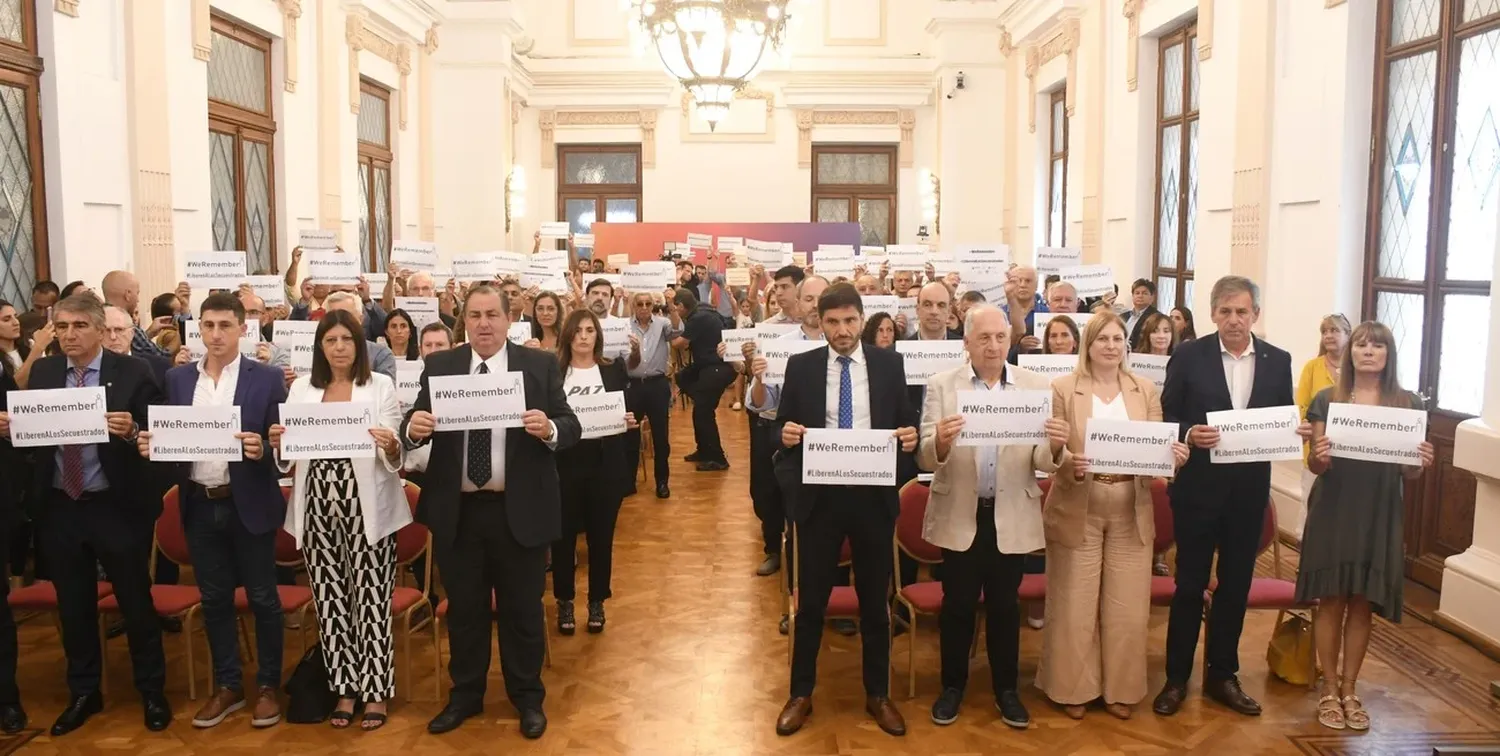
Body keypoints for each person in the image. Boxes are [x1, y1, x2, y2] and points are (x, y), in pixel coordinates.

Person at [402, 283, 581, 739]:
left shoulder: (537, 365)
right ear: (464, 321)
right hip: (458, 512)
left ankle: (527, 697)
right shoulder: (440, 365)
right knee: (465, 610)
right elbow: (416, 424)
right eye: (475, 315)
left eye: (492, 315)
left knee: (522, 610)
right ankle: (465, 694)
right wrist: (414, 427)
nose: (484, 323)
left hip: (518, 510)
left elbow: (571, 424)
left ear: (508, 320)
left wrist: (549, 429)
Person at [0, 293, 170, 735]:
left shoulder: (133, 372)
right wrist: (13, 428)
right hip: (60, 507)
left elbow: (157, 435)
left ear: (99, 329)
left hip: (115, 506)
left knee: (135, 603)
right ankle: (84, 692)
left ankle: (151, 691)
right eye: (61, 327)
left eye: (78, 326)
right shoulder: (45, 371)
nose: (69, 335)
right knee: (73, 607)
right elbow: (35, 435)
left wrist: (133, 429)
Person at [1155, 275, 1308, 718]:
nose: (1234, 320)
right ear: (1213, 314)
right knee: (1188, 587)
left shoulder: (1278, 361)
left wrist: (1291, 429)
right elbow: (1167, 412)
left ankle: (1223, 674)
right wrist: (1187, 432)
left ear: (1255, 314)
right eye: (1225, 311)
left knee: (1236, 587)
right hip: (1198, 491)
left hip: (1247, 494)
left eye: (1242, 311)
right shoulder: (1188, 355)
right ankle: (1176, 678)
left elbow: (1283, 415)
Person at [772, 282, 918, 738]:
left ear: (861, 318)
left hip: (873, 498)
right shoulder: (801, 367)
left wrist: (910, 438)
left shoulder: (890, 364)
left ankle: (878, 694)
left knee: (876, 604)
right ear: (821, 321)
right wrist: (787, 435)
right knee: (812, 602)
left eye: (850, 321)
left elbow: (906, 424)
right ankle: (801, 693)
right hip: (821, 500)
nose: (842, 330)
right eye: (833, 322)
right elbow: (780, 431)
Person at [135, 292, 287, 729]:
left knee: (263, 598)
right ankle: (229, 684)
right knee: (215, 599)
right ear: (197, 329)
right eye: (207, 326)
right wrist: (152, 444)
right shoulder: (179, 378)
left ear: (243, 328)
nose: (216, 334)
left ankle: (268, 686)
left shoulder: (267, 378)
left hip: (250, 503)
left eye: (225, 325)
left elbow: (283, 443)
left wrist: (265, 449)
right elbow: (175, 438)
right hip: (199, 504)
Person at [917, 305, 1067, 728]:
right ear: (966, 343)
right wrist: (941, 444)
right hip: (960, 511)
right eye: (983, 338)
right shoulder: (942, 385)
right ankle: (952, 687)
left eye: (1000, 338)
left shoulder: (1035, 386)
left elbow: (1041, 457)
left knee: (1005, 606)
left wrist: (1055, 447)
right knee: (958, 605)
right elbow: (924, 453)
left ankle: (1006, 690)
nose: (993, 346)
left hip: (1010, 513)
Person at [1038, 313, 1188, 720]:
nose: (1110, 345)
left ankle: (1120, 689)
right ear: (1087, 344)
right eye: (1101, 338)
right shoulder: (1063, 388)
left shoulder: (1145, 389)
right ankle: (1072, 688)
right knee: (1074, 604)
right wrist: (1068, 460)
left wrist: (1174, 456)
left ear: (1127, 344)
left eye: (1117, 338)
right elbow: (1049, 452)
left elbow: (1158, 444)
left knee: (1127, 606)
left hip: (1130, 505)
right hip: (1078, 504)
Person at [272, 309, 408, 731]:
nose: (339, 348)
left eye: (346, 339)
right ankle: (344, 688)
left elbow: (394, 451)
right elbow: (288, 459)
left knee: (369, 599)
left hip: (366, 504)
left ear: (359, 344)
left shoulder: (380, 385)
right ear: (320, 347)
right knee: (331, 602)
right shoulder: (302, 392)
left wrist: (389, 445)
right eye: (330, 341)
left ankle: (376, 692)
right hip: (316, 505)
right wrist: (280, 442)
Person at [1298, 320, 1432, 732]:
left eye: (1377, 346)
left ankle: (1351, 689)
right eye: (1361, 344)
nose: (1368, 351)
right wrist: (1319, 452)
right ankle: (1328, 687)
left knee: (1362, 602)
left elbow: (1408, 473)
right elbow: (1316, 465)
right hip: (1336, 506)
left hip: (1379, 510)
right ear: (1351, 352)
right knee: (1332, 599)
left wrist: (1420, 460)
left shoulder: (1406, 404)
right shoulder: (1327, 399)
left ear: (1389, 355)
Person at [551, 310, 637, 635]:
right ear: (568, 335)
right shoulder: (555, 372)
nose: (584, 336)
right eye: (578, 331)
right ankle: (564, 600)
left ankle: (597, 600)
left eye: (590, 330)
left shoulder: (611, 370)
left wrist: (626, 420)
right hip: (564, 464)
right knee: (563, 539)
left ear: (597, 336)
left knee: (602, 539)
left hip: (605, 464)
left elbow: (621, 410)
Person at [670, 288, 734, 472]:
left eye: (676, 307)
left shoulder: (698, 318)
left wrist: (666, 334)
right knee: (698, 406)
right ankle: (703, 450)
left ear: (681, 306)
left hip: (716, 368)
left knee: (704, 412)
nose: (675, 310)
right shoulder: (704, 311)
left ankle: (718, 458)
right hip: (711, 367)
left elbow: (678, 344)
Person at [625, 292, 680, 499]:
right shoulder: (625, 326)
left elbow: (677, 331)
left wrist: (672, 303)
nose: (645, 307)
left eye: (649, 303)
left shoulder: (663, 323)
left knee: (661, 436)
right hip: (633, 386)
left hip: (657, 385)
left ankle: (662, 482)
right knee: (629, 435)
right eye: (640, 303)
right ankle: (629, 481)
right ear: (634, 305)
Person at [323, 292, 397, 382]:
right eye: (333, 317)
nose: (340, 322)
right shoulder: (319, 351)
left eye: (347, 317)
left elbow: (386, 392)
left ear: (361, 319)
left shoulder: (380, 354)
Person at [1123, 278, 1160, 345]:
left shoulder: (1156, 317)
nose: (1140, 296)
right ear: (1133, 296)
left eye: (1144, 293)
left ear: (1152, 297)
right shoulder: (1123, 316)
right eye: (1137, 293)